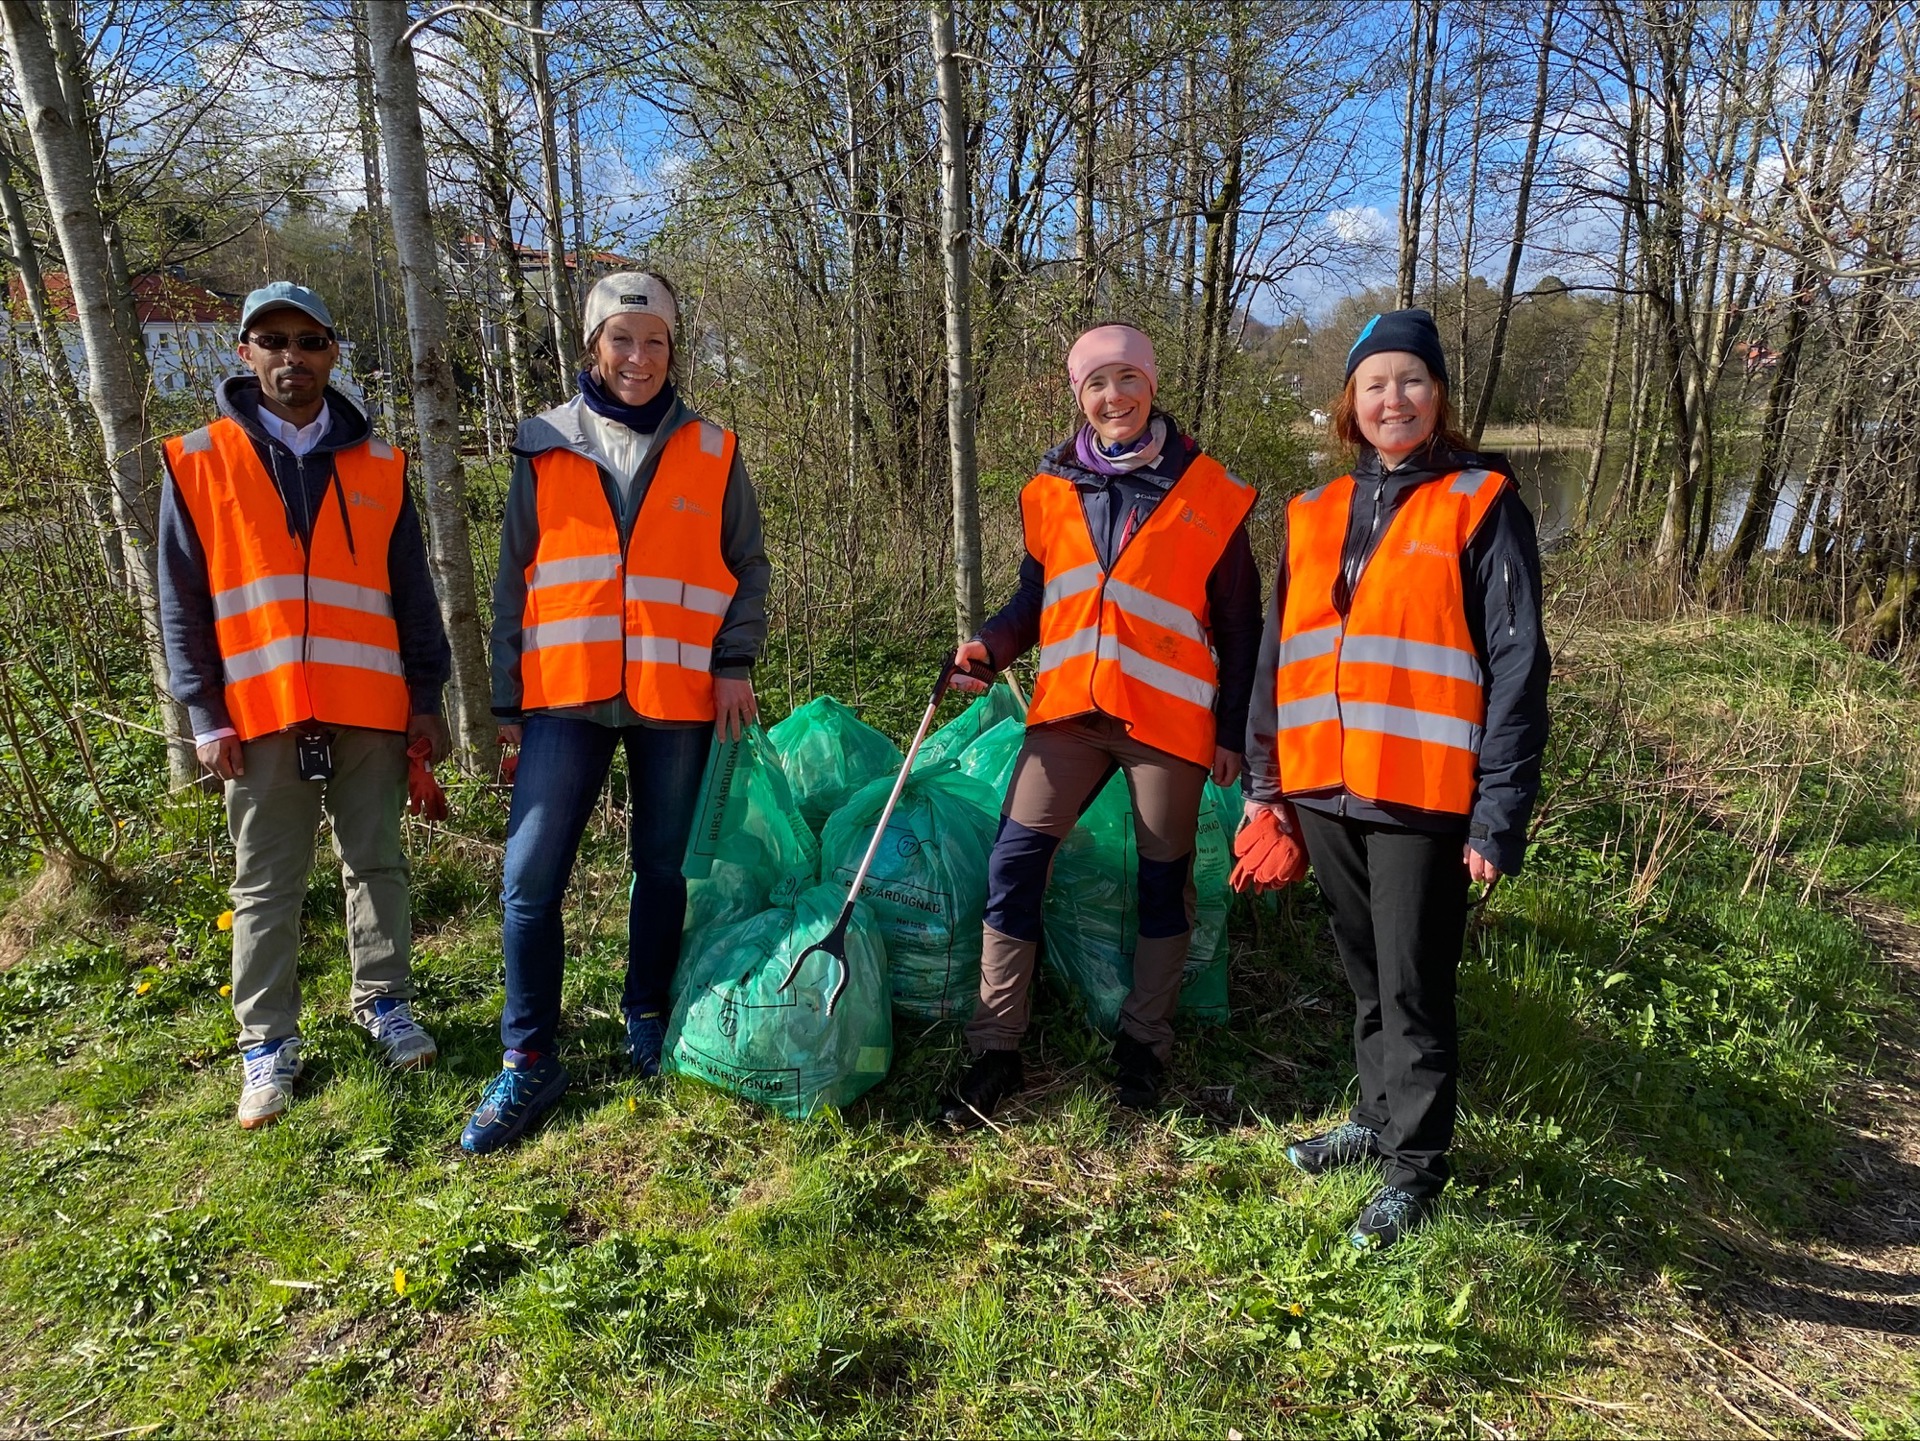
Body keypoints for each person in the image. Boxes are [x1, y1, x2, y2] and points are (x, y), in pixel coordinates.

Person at [1244, 308, 1551, 1251]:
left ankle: (1414, 1171)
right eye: (1374, 382)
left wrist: (1497, 814)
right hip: (1325, 787)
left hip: (1422, 793)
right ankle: (1378, 1124)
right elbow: (1276, 652)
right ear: (1350, 401)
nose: (1393, 398)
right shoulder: (1314, 511)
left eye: (1410, 380)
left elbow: (1518, 666)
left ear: (1439, 395)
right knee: (1366, 973)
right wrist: (1267, 780)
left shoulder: (1480, 502)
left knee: (1415, 983)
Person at [462, 271, 771, 1155]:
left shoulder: (712, 447)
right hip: (564, 692)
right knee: (529, 881)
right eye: (622, 339)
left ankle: (647, 1015)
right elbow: (515, 577)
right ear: (594, 344)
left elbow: (747, 565)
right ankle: (529, 1058)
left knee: (663, 869)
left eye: (656, 342)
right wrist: (505, 698)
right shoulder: (543, 442)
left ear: (674, 351)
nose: (638, 358)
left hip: (676, 694)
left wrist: (734, 661)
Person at [938, 323, 1263, 1127]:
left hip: (1169, 721)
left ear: (1151, 385)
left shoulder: (1210, 492)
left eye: (1126, 379)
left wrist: (1232, 731)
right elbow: (1034, 604)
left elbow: (1243, 628)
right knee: (1014, 860)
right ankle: (996, 1048)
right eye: (1095, 384)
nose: (1112, 397)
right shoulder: (1050, 488)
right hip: (1070, 715)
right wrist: (989, 644)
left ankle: (1144, 1045)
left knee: (1164, 880)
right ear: (1077, 395)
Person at [158, 280, 453, 1130]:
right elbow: (181, 599)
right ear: (245, 353)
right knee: (265, 885)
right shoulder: (200, 459)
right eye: (274, 341)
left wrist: (425, 698)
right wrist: (203, 714)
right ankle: (267, 1044)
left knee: (379, 864)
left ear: (332, 352)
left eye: (310, 341)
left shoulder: (380, 465)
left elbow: (413, 594)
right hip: (259, 716)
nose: (293, 357)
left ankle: (384, 1002)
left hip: (370, 707)